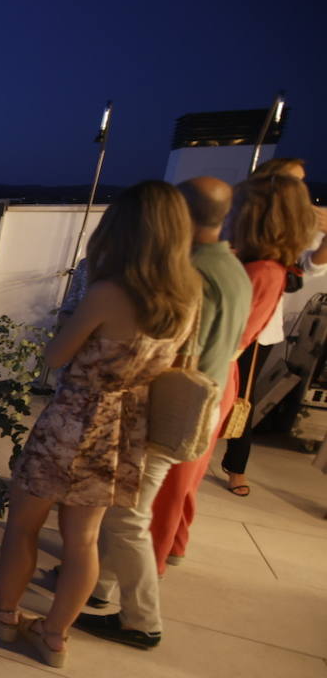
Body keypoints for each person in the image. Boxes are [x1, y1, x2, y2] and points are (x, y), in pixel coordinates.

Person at [0, 181, 198, 667]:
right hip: (123, 430)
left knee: (23, 528)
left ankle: (4, 614)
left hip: (73, 422)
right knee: (85, 540)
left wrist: (70, 313)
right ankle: (54, 637)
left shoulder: (108, 292)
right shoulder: (188, 295)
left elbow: (55, 357)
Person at [75, 177, 250, 648]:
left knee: (127, 517)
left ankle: (142, 620)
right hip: (200, 404)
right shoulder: (233, 268)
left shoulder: (188, 274)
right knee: (125, 511)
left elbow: (165, 353)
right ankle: (100, 587)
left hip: (164, 411)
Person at [148, 173, 318, 571]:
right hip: (221, 376)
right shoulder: (269, 267)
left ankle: (142, 572)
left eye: (241, 206)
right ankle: (174, 542)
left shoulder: (253, 269)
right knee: (187, 476)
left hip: (204, 376)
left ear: (257, 214)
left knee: (172, 480)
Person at [220, 157, 327, 496]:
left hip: (257, 326)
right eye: (295, 180)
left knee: (242, 398)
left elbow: (305, 269)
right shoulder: (242, 212)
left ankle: (235, 466)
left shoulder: (295, 224)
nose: (301, 188)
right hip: (226, 318)